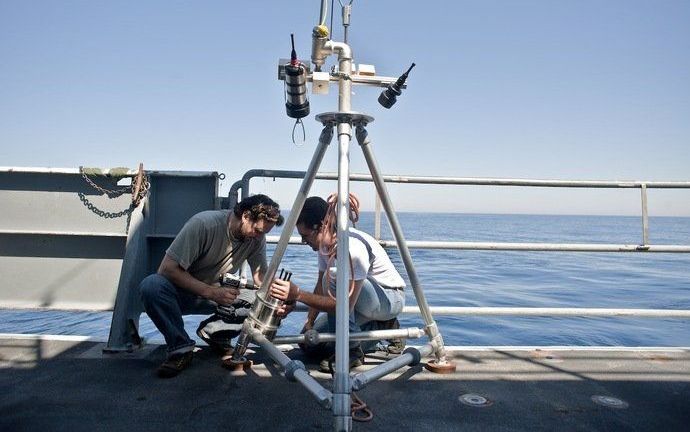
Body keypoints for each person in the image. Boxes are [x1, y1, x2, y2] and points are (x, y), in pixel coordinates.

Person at [139, 194, 284, 378]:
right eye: (258, 230)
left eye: (264, 233)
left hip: (219, 295)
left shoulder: (256, 239)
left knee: (262, 301)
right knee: (151, 286)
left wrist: (281, 295)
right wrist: (211, 292)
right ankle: (180, 348)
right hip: (183, 293)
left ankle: (214, 332)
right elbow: (167, 269)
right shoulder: (204, 224)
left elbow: (260, 277)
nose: (260, 236)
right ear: (246, 216)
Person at [270, 194, 406, 372]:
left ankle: (351, 350)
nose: (304, 242)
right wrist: (309, 322)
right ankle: (379, 328)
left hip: (388, 297)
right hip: (356, 302)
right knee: (310, 345)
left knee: (334, 276)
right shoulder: (323, 246)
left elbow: (343, 305)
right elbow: (320, 286)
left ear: (321, 226)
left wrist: (298, 294)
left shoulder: (352, 248)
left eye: (305, 236)